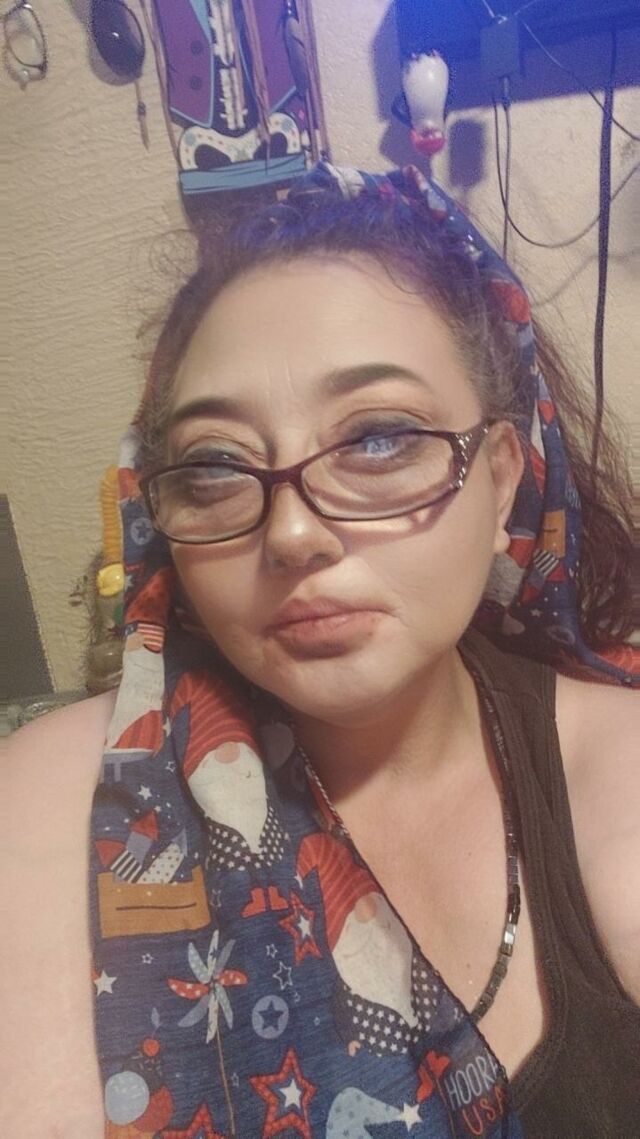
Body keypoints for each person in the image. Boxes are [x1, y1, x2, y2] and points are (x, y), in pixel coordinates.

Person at [2, 162, 638, 1139]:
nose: (292, 533)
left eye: (378, 438)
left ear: (501, 477)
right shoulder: (63, 801)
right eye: (216, 465)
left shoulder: (617, 764)